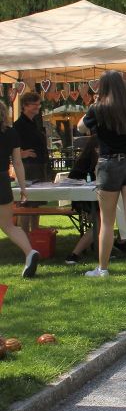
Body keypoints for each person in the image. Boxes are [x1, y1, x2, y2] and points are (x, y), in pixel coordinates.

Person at [77, 70, 126, 280]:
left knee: (107, 222)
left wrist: (93, 105)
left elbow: (80, 127)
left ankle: (103, 268)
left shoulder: (98, 108)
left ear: (103, 87)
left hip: (108, 164)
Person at [0, 101, 41, 278]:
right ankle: (29, 252)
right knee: (9, 225)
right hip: (3, 181)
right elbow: (17, 162)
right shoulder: (11, 132)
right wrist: (23, 187)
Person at [13, 92, 50, 233]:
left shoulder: (35, 121)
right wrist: (22, 153)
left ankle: (35, 231)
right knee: (27, 203)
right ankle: (25, 233)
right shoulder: (19, 125)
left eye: (38, 104)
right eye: (34, 104)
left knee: (37, 202)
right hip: (28, 167)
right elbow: (12, 146)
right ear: (25, 106)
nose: (38, 107)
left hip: (39, 165)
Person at [64, 136, 100, 265]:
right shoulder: (90, 161)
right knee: (98, 224)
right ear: (96, 148)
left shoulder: (85, 159)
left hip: (86, 198)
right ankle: (74, 254)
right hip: (85, 199)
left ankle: (106, 248)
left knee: (101, 222)